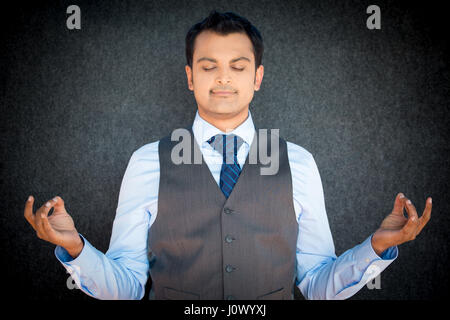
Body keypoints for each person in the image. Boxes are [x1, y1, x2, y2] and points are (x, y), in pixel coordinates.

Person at [23, 10, 432, 300]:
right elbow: (127, 287)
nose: (222, 77)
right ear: (189, 77)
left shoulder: (299, 163)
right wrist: (77, 248)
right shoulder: (147, 161)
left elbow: (317, 285)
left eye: (238, 66)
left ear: (257, 78)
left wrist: (375, 248)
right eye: (207, 66)